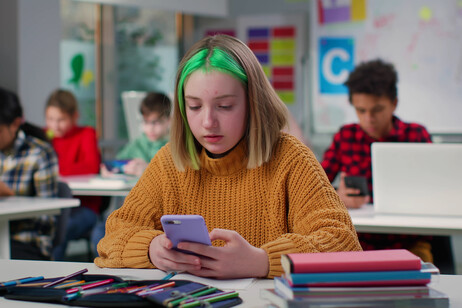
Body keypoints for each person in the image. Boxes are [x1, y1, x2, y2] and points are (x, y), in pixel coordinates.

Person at [95, 34, 361, 279]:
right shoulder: (169, 162)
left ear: (253, 103)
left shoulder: (291, 158)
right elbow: (113, 236)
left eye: (225, 106)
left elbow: (343, 243)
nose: (208, 121)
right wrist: (151, 249)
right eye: (195, 106)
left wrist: (262, 261)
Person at [320, 59, 433, 261]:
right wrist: (338, 196)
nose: (368, 118)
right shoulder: (345, 136)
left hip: (409, 242)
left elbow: (436, 190)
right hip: (357, 240)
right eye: (361, 111)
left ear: (394, 103)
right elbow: (314, 190)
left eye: (377, 110)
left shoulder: (416, 135)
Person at [0, 87, 59, 260]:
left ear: (16, 124)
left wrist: (11, 198)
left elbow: (47, 216)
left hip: (26, 240)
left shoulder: (39, 153)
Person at [44, 89, 103, 261]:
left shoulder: (86, 133)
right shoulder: (45, 136)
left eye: (61, 120)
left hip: (84, 207)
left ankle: (53, 273)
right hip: (53, 204)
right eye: (50, 119)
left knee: (60, 227)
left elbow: (92, 166)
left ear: (74, 116)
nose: (55, 126)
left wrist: (54, 168)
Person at [106, 91, 172, 177]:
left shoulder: (175, 146)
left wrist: (149, 169)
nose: (150, 128)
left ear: (168, 120)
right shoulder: (138, 144)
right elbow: (116, 163)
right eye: (146, 122)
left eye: (156, 122)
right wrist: (111, 169)